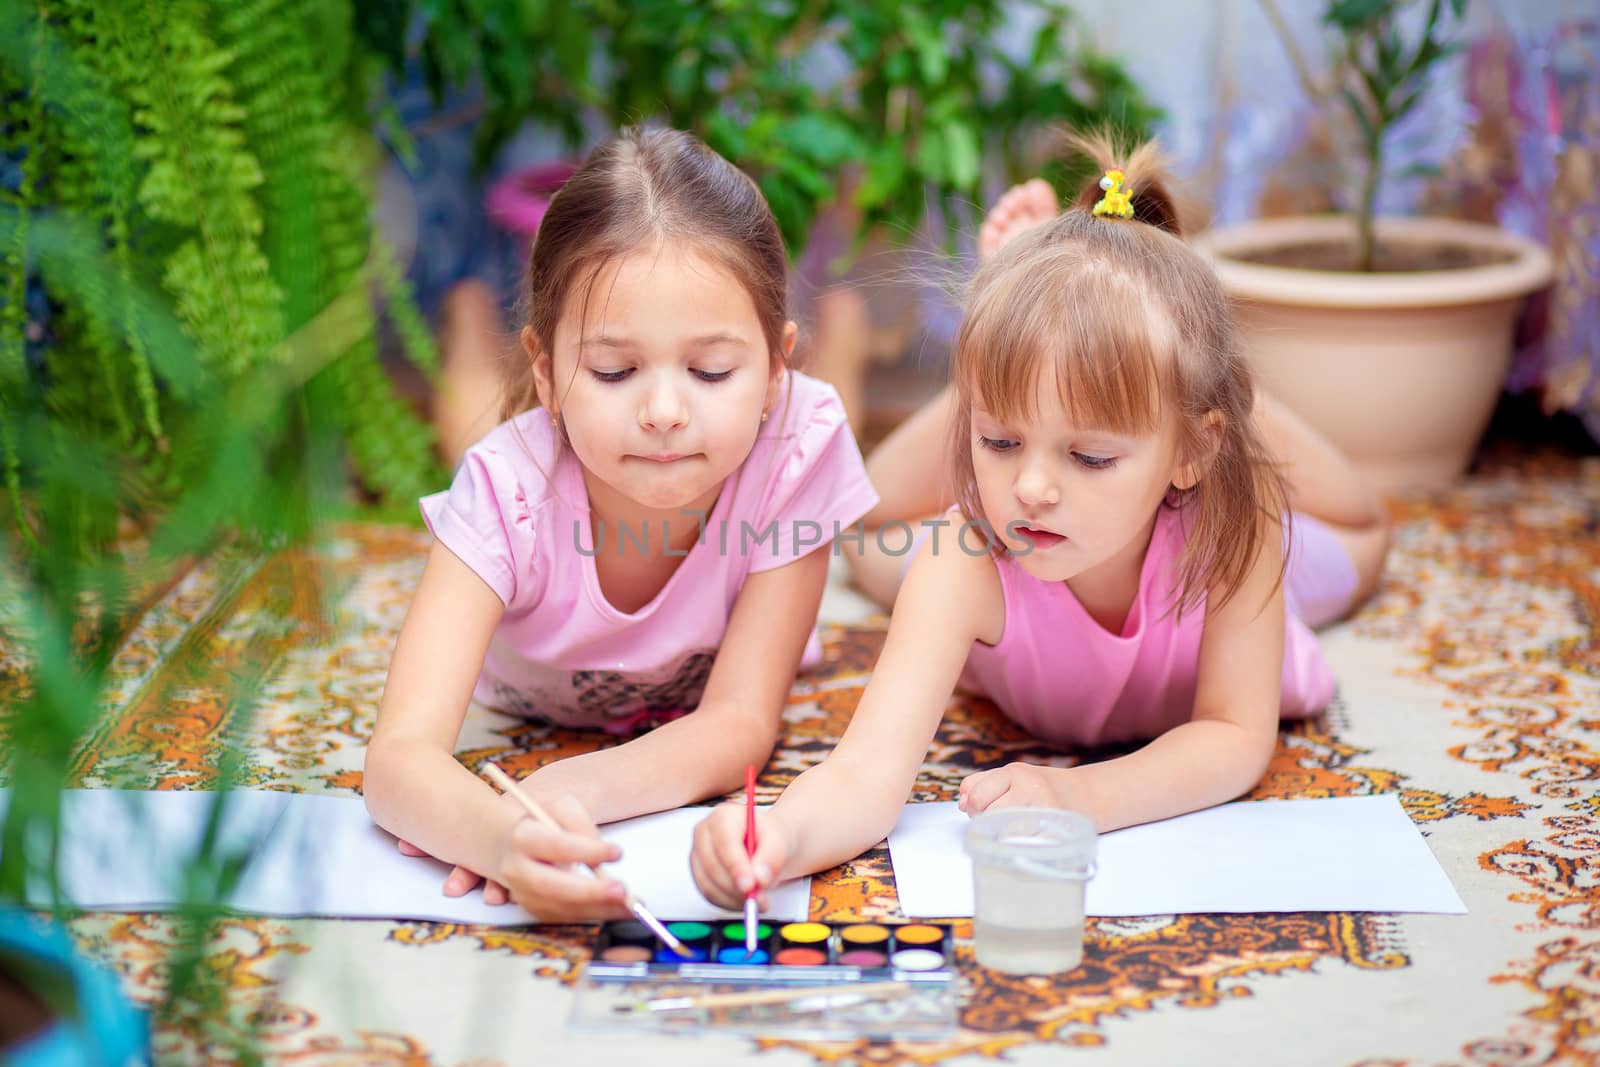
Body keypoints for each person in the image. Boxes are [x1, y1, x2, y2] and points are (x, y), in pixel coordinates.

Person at [688, 135, 1389, 911]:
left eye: (1090, 456)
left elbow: (1233, 735)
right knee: (865, 540)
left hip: (1215, 505)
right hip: (1027, 523)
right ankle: (1043, 341)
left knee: (1366, 532)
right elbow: (862, 774)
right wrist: (777, 836)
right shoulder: (966, 555)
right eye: (998, 440)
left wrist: (1076, 796)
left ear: (1193, 449)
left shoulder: (1239, 532)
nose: (1031, 489)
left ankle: (1166, 367)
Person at [364, 126, 879, 922]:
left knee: (826, 410)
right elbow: (397, 759)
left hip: (776, 416)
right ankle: (471, 334)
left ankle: (841, 338)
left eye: (711, 371)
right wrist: (499, 837)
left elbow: (741, 720)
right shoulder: (507, 489)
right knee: (472, 428)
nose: (665, 413)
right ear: (547, 369)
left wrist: (579, 784)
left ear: (775, 366)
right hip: (524, 467)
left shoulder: (795, 441)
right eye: (613, 371)